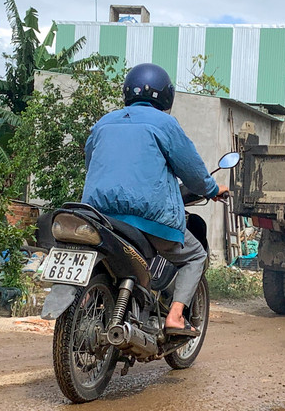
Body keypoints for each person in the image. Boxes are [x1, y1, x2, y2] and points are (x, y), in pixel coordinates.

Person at [82, 62, 228, 337]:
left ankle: (91, 302)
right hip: (147, 219)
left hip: (97, 216)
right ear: (166, 96)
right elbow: (193, 173)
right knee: (195, 255)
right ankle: (174, 317)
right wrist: (212, 189)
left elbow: (91, 162)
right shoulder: (165, 124)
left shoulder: (104, 122)